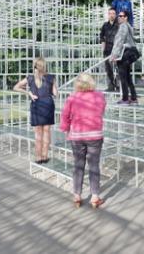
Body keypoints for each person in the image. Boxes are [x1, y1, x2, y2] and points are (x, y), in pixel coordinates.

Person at [60, 73, 107, 208]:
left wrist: (65, 128)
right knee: (94, 165)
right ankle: (95, 197)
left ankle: (77, 196)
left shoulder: (72, 97)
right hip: (95, 135)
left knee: (78, 165)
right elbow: (101, 110)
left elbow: (65, 116)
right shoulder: (100, 96)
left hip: (77, 135)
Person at [13, 58, 58, 164]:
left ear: (35, 66)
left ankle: (38, 158)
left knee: (38, 134)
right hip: (48, 105)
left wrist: (29, 93)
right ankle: (45, 156)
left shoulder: (30, 78)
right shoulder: (51, 77)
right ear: (44, 65)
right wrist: (53, 88)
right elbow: (56, 94)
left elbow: (16, 87)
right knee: (47, 132)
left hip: (36, 104)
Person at [111, 11, 139, 105]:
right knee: (127, 77)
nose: (119, 17)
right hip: (131, 53)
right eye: (118, 16)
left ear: (126, 17)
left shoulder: (123, 26)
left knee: (123, 77)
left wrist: (114, 55)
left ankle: (125, 98)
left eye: (121, 16)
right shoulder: (128, 26)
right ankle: (133, 97)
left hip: (125, 54)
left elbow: (119, 41)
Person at [99, 8, 119, 92]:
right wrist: (103, 47)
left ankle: (118, 86)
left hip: (116, 50)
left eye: (113, 13)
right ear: (108, 15)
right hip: (107, 50)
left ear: (115, 15)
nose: (111, 15)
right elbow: (101, 37)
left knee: (118, 69)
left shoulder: (119, 25)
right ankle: (111, 86)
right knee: (108, 69)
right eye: (110, 13)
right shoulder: (105, 25)